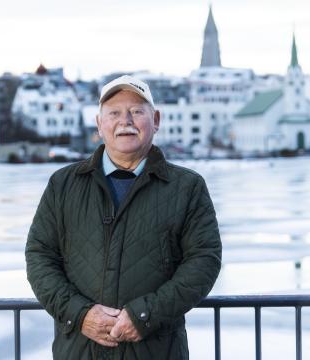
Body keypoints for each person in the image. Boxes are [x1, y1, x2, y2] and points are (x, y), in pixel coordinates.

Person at [25, 75, 222, 359]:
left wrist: (146, 315)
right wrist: (80, 315)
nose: (125, 120)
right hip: (79, 351)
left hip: (157, 351)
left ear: (155, 120)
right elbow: (40, 257)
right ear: (99, 124)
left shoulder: (187, 187)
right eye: (114, 113)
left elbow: (204, 261)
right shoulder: (64, 184)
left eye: (136, 111)